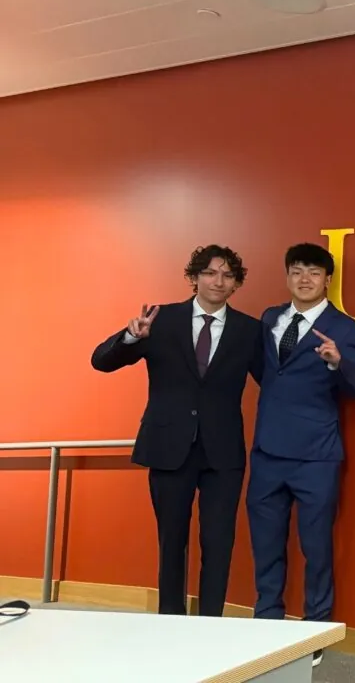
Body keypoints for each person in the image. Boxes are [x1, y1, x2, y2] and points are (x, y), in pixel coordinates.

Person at [90, 245, 262, 617]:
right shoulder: (159, 319)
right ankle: (170, 621)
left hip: (223, 453)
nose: (218, 281)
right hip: (169, 446)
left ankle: (210, 624)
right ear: (194, 278)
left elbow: (273, 382)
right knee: (171, 541)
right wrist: (132, 338)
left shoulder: (250, 330)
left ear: (236, 284)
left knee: (219, 542)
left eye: (227, 275)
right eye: (210, 273)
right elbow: (100, 361)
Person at [247, 242, 355, 666]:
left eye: (314, 272)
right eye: (297, 271)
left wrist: (338, 362)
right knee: (266, 545)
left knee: (316, 548)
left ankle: (315, 632)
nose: (304, 279)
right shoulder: (270, 318)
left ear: (327, 280)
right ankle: (266, 624)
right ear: (287, 276)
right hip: (267, 451)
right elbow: (267, 374)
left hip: (316, 456)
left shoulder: (345, 329)